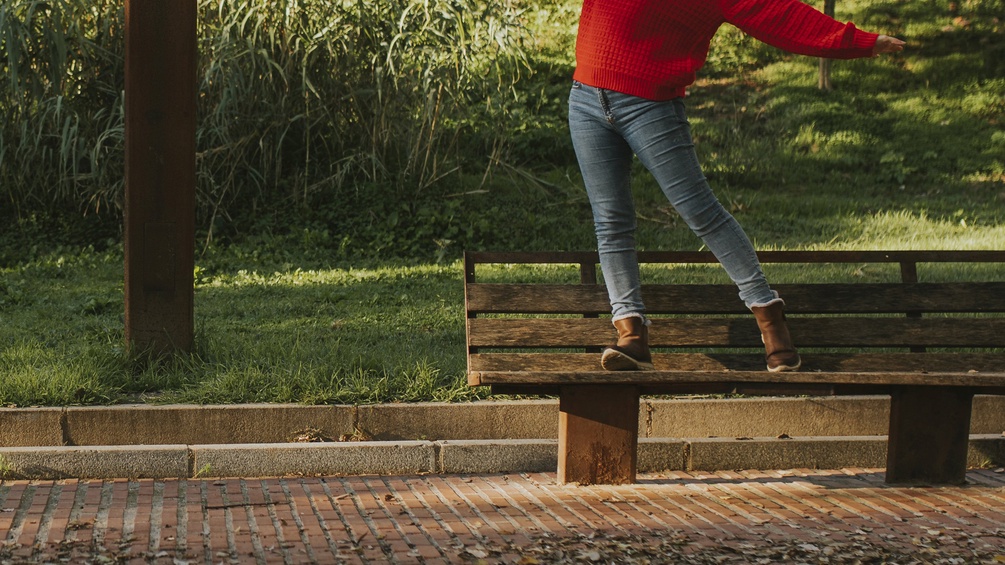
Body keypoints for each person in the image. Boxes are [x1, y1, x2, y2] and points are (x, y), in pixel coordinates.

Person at [568, 0, 905, 372]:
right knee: (611, 221)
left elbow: (781, 16)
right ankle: (630, 332)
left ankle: (769, 316)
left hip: (651, 106)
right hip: (585, 97)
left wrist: (861, 42)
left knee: (702, 212)